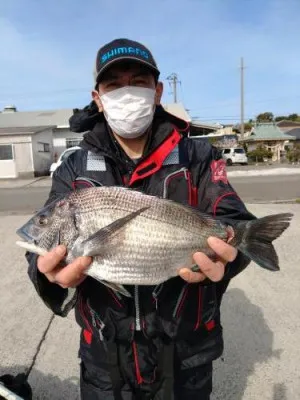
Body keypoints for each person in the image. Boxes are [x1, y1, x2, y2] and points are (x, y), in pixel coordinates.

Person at [26, 38, 255, 399]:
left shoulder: (197, 155)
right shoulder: (74, 166)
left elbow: (232, 217)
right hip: (104, 358)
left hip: (187, 354)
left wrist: (233, 253)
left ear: (157, 91)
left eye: (138, 82)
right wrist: (46, 273)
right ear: (97, 98)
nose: (126, 93)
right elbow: (42, 237)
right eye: (114, 85)